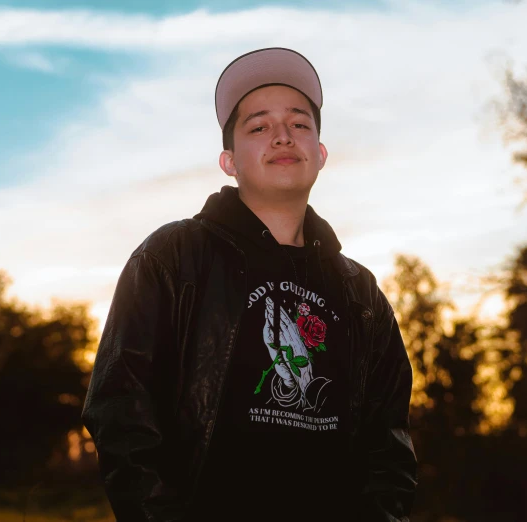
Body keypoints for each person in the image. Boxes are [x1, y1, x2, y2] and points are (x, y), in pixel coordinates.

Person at [82, 47, 417, 521]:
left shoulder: (361, 294)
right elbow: (121, 415)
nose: (283, 136)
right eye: (259, 127)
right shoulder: (172, 258)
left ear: (320, 154)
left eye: (300, 124)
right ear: (229, 160)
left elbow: (389, 450)